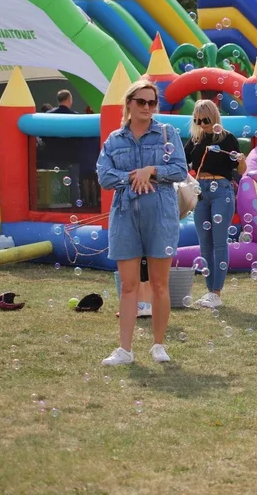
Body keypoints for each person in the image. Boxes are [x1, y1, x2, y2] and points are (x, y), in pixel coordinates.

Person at [97, 78, 188, 366]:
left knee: (160, 284)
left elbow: (180, 170)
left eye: (152, 102)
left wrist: (151, 170)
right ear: (129, 104)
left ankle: (158, 345)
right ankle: (125, 349)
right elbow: (104, 176)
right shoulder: (114, 139)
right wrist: (133, 177)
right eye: (142, 102)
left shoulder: (166, 133)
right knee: (128, 285)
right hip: (125, 212)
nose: (148, 107)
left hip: (160, 212)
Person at [186, 99, 246, 309]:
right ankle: (210, 290)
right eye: (197, 120)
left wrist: (242, 161)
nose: (202, 124)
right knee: (205, 243)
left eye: (206, 119)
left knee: (219, 242)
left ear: (214, 117)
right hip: (201, 191)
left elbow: (240, 171)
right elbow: (182, 163)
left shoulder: (227, 138)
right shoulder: (196, 139)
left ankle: (216, 292)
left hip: (221, 190)